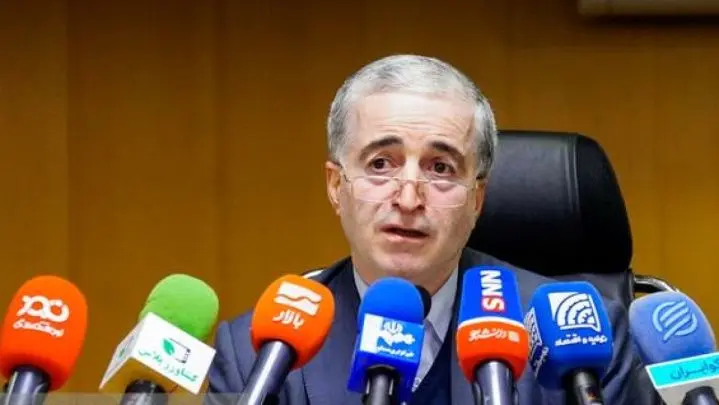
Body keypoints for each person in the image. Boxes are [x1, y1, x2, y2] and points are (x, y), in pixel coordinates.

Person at [207, 54, 648, 405]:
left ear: (477, 200)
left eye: (441, 168)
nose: (408, 199)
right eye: (381, 164)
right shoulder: (257, 353)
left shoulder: (583, 337)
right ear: (336, 187)